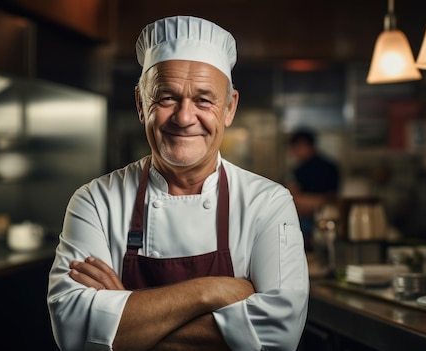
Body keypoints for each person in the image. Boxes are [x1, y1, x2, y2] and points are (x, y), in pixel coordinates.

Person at [47, 16, 309, 351]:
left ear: (229, 108)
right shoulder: (96, 201)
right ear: (142, 105)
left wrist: (125, 316)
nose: (184, 118)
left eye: (203, 100)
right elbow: (75, 333)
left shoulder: (268, 203)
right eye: (166, 97)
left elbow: (278, 335)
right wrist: (213, 292)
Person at [285, 129, 340, 245]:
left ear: (303, 145)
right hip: (327, 219)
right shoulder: (331, 166)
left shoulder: (299, 171)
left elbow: (293, 198)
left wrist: (302, 200)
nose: (294, 152)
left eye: (295, 148)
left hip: (310, 221)